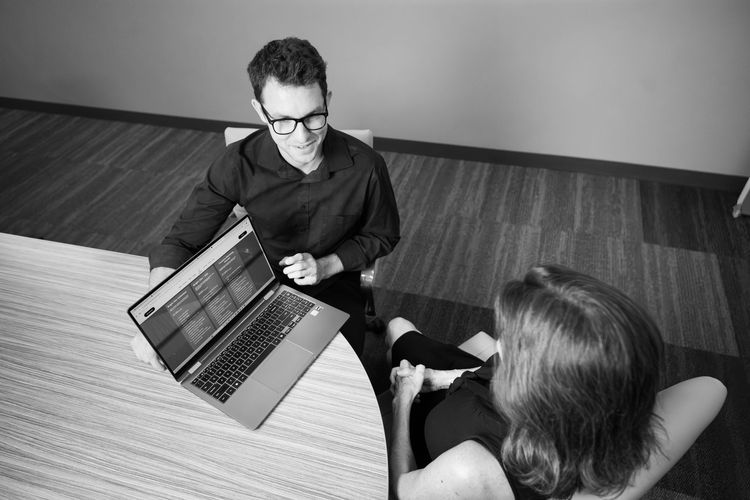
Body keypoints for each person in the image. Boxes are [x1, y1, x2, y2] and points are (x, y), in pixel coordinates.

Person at [131, 37, 399, 368]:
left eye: (314, 116)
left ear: (327, 100)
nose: (303, 138)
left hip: (333, 286)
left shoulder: (368, 166)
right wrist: (154, 320)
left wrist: (327, 264)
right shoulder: (237, 164)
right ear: (260, 110)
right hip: (256, 284)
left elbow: (383, 235)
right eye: (283, 121)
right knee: (227, 372)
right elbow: (182, 241)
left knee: (331, 379)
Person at [386, 265, 667, 499]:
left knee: (396, 334)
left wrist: (402, 402)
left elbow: (401, 491)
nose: (498, 344)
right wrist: (440, 379)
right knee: (398, 328)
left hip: (425, 437)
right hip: (471, 388)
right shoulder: (599, 405)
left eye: (512, 341)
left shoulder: (471, 468)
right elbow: (495, 369)